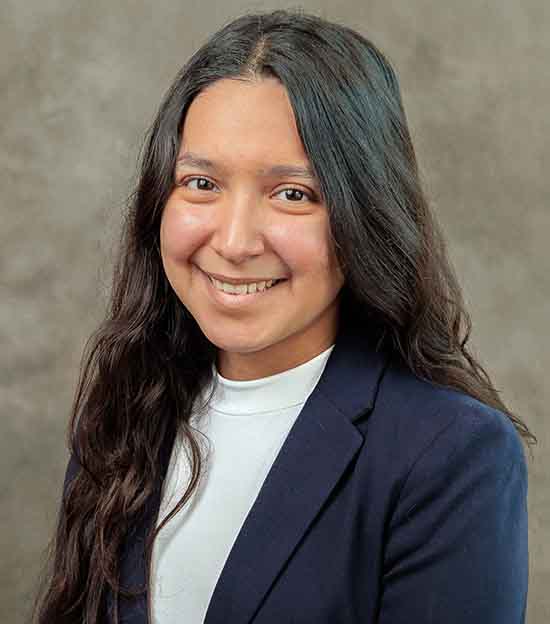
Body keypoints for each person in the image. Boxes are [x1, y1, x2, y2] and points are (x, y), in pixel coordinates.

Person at [32, 8, 535, 624]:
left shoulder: (452, 456)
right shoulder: (128, 407)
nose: (236, 241)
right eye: (201, 183)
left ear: (363, 216)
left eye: (293, 194)